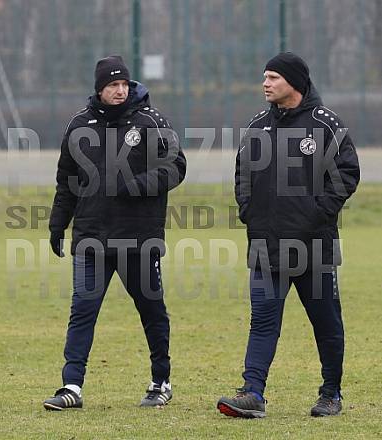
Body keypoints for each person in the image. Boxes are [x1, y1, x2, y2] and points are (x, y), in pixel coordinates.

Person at [217, 52, 360, 418]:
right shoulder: (257, 126)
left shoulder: (325, 124)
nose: (265, 83)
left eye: (273, 77)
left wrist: (317, 213)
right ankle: (253, 393)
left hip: (313, 247)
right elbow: (242, 173)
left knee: (326, 323)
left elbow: (347, 173)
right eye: (265, 77)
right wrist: (248, 210)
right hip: (266, 245)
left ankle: (330, 394)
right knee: (263, 322)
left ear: (294, 82)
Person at [43, 55, 186, 410]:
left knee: (151, 310)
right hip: (91, 237)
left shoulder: (151, 122)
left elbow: (176, 167)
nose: (120, 90)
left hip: (138, 237)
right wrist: (58, 223)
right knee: (83, 310)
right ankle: (71, 386)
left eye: (124, 84)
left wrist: (137, 185)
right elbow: (67, 182)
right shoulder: (79, 125)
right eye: (112, 85)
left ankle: (161, 381)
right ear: (99, 89)